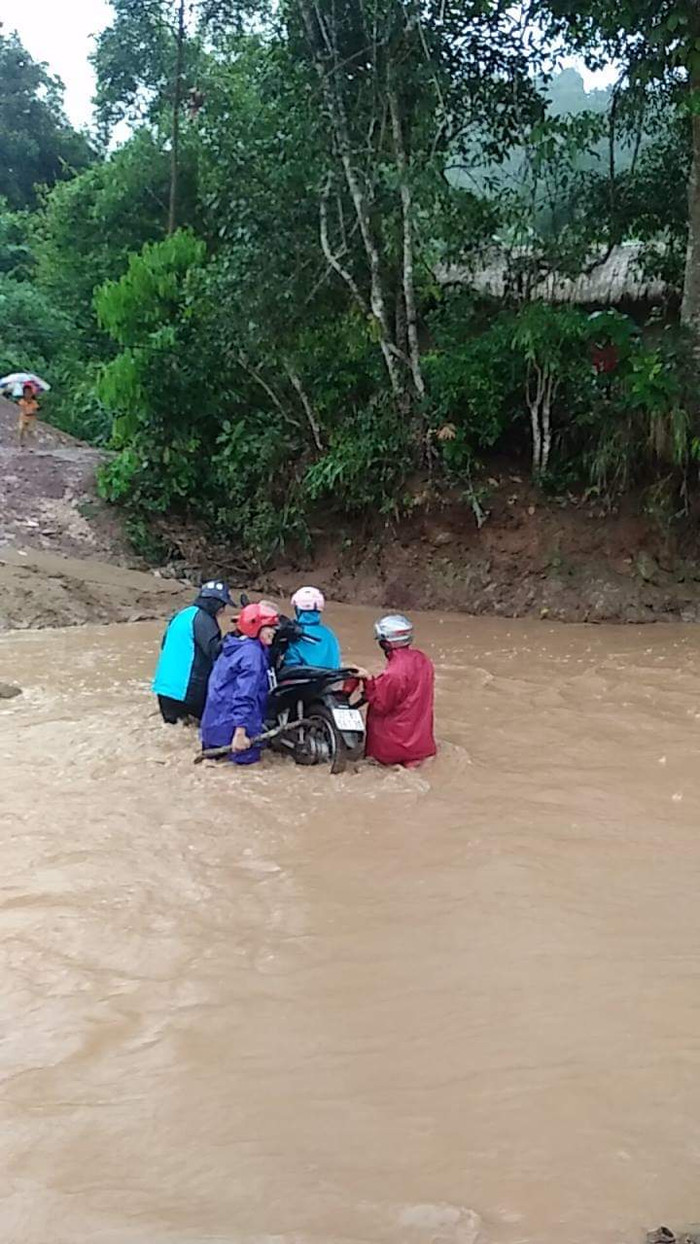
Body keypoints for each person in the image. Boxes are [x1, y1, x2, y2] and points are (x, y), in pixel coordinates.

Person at [200, 601, 279, 765]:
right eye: (269, 627)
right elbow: (245, 695)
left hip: (212, 728)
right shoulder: (253, 655)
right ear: (255, 627)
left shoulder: (231, 645)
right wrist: (241, 733)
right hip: (234, 731)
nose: (273, 631)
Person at [357, 614, 436, 767]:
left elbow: (381, 705)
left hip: (391, 748)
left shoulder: (394, 672)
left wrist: (368, 680)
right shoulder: (423, 660)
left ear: (385, 643)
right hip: (421, 746)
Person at [152, 580, 236, 724]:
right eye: (222, 605)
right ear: (214, 603)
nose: (223, 610)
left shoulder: (181, 615)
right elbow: (215, 652)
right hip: (187, 692)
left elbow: (164, 644)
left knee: (175, 732)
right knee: (205, 728)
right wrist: (235, 636)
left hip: (164, 688)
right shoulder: (204, 620)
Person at [282, 586, 341, 669]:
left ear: (297, 610)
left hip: (307, 680)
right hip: (333, 679)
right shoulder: (329, 634)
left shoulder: (294, 636)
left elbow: (290, 665)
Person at [17, 382, 39, 448]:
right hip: (23, 416)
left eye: (29, 393)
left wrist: (33, 412)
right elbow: (22, 408)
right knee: (21, 429)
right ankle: (20, 444)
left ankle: (32, 446)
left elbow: (35, 410)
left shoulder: (34, 402)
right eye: (26, 392)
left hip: (31, 418)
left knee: (31, 431)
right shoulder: (22, 401)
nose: (28, 394)